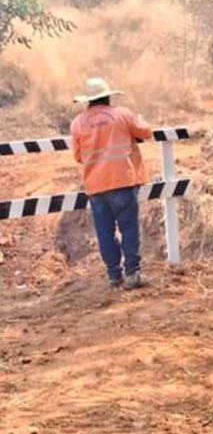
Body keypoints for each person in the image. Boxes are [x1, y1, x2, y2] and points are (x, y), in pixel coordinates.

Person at [70, 78, 152, 290]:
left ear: (87, 101)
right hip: (122, 180)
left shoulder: (77, 123)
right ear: (108, 97)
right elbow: (146, 132)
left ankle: (114, 276)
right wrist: (141, 120)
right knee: (129, 228)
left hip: (95, 186)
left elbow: (78, 156)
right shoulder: (122, 114)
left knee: (104, 232)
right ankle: (132, 274)